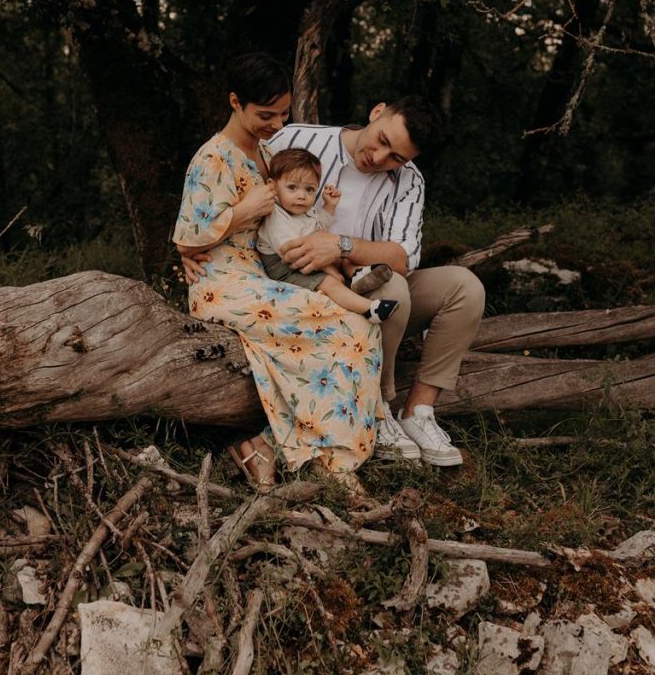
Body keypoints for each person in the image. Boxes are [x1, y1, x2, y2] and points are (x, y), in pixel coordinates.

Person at [173, 53, 384, 492]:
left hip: (263, 277)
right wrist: (239, 213)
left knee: (360, 326)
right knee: (343, 326)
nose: (276, 122)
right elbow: (187, 239)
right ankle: (333, 465)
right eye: (265, 114)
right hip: (223, 285)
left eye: (284, 113)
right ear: (235, 102)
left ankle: (266, 445)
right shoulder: (212, 158)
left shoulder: (268, 153)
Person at [268, 97, 486, 466]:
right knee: (394, 289)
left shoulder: (408, 180)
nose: (380, 158)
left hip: (364, 287)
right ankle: (377, 408)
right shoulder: (296, 139)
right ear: (376, 112)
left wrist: (340, 246)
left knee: (465, 287)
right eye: (382, 140)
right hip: (298, 285)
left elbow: (403, 257)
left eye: (397, 157)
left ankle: (417, 413)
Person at [257, 147, 399, 324]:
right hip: (285, 267)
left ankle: (357, 275)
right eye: (292, 187)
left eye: (309, 190)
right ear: (273, 186)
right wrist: (328, 270)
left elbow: (319, 227)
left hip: (307, 258)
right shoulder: (276, 216)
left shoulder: (303, 212)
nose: (301, 196)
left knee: (342, 253)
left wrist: (329, 206)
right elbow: (293, 254)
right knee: (329, 283)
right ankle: (369, 309)